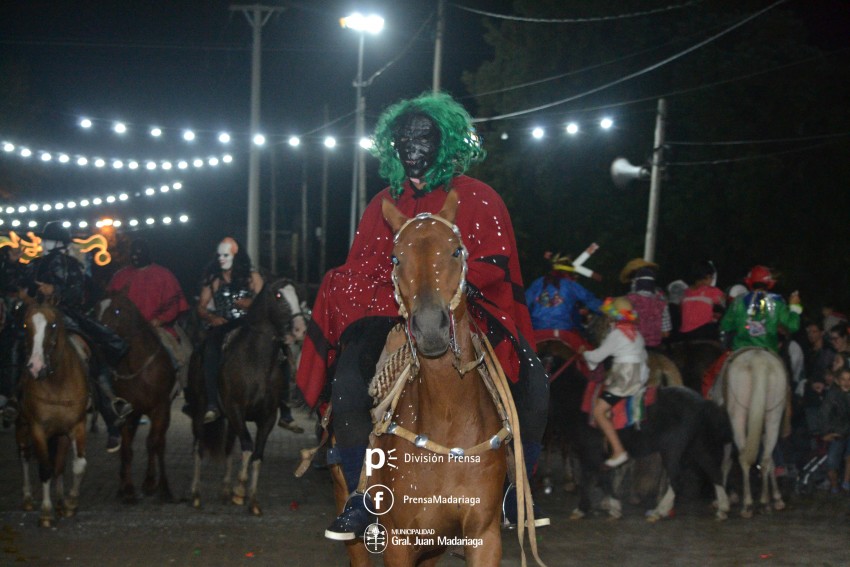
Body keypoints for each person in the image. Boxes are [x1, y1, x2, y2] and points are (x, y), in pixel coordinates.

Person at [295, 92, 549, 540]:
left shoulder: (481, 198)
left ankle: (516, 490)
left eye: (423, 135)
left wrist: (458, 287)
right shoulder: (381, 205)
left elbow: (499, 263)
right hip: (389, 310)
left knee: (533, 375)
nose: (411, 144)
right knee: (349, 379)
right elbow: (362, 266)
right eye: (403, 136)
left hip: (468, 309)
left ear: (445, 141)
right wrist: (389, 292)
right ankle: (361, 496)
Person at [20, 221, 132, 451]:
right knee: (15, 342)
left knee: (94, 352)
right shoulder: (35, 264)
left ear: (58, 243)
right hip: (38, 315)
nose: (42, 242)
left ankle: (111, 407)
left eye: (47, 239)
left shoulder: (72, 266)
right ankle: (11, 396)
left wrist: (55, 291)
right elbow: (24, 288)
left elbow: (78, 293)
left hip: (66, 318)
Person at [702, 265, 802, 397]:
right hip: (770, 351)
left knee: (710, 378)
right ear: (770, 284)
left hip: (740, 351)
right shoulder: (777, 302)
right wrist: (795, 307)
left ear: (749, 282)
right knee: (788, 389)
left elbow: (725, 326)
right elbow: (793, 326)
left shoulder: (737, 301)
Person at [196, 237, 263, 423]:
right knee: (209, 351)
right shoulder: (214, 280)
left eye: (225, 255)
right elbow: (201, 306)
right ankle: (211, 403)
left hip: (249, 325)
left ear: (236, 255)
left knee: (277, 348)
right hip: (223, 325)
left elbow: (266, 303)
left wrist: (251, 304)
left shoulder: (253, 278)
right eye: (219, 255)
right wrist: (211, 317)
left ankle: (284, 407)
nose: (221, 259)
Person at [107, 238, 191, 381]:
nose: (135, 257)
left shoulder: (164, 275)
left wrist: (160, 319)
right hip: (124, 329)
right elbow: (110, 303)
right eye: (133, 254)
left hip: (157, 327)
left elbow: (174, 304)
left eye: (139, 254)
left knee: (185, 354)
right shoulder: (120, 276)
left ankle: (182, 391)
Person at [581, 296, 648, 468]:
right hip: (639, 375)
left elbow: (598, 356)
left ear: (612, 316)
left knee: (598, 411)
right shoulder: (637, 334)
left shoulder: (617, 334)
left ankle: (618, 451)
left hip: (624, 376)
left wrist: (585, 353)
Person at [525, 251, 602, 349]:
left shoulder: (538, 282)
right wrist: (614, 312)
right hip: (563, 330)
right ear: (569, 273)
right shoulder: (571, 285)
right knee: (589, 357)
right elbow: (591, 301)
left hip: (536, 329)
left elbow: (523, 303)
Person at [620, 258, 671, 349]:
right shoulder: (661, 299)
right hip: (655, 346)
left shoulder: (628, 300)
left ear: (635, 281)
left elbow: (609, 310)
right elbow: (666, 333)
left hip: (633, 347)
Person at [819, 363, 850, 493]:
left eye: (849, 379)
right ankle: (834, 484)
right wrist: (827, 432)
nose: (847, 383)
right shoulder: (833, 395)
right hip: (837, 433)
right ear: (838, 380)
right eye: (843, 379)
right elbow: (824, 414)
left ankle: (846, 483)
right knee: (832, 461)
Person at [679, 260, 725, 341]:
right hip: (703, 332)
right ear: (706, 276)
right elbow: (724, 304)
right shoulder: (713, 291)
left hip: (684, 333)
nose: (711, 280)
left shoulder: (686, 292)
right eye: (711, 277)